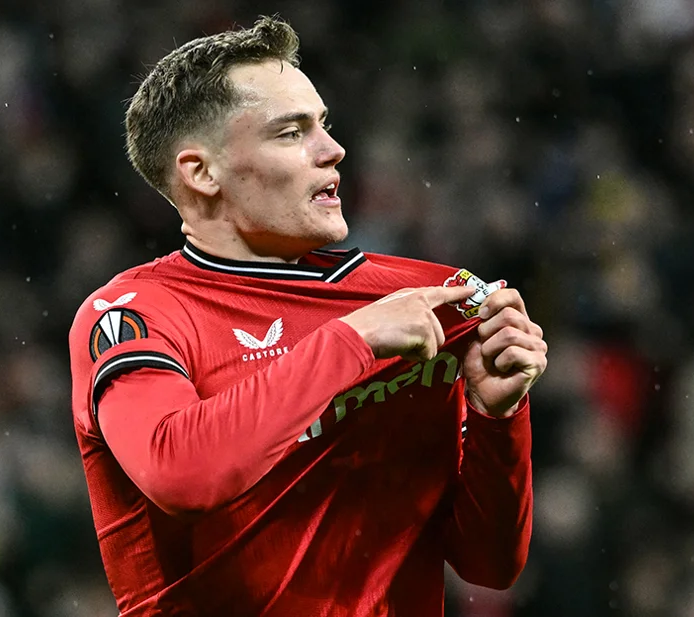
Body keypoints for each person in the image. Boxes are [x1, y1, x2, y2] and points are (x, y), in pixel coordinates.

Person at [68, 15, 547, 617]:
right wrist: (351, 342)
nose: (333, 150)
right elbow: (181, 474)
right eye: (291, 132)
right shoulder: (136, 313)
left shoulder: (427, 298)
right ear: (202, 173)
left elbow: (490, 565)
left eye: (324, 125)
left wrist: (498, 418)